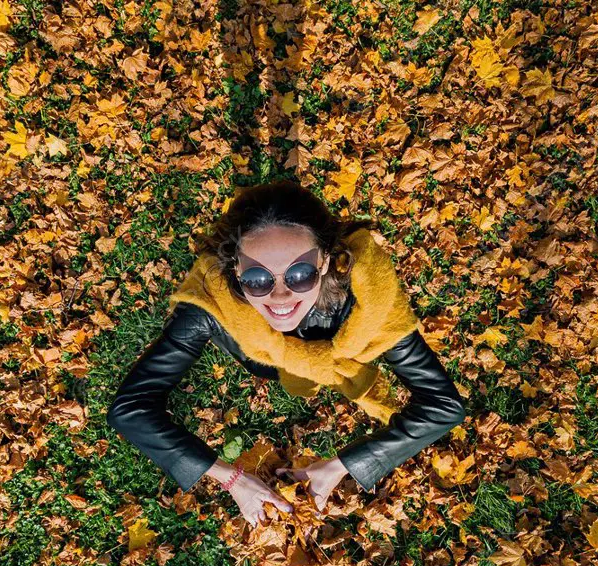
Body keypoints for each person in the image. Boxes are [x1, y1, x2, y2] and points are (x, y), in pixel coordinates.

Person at [107, 180, 467, 527]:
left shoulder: (369, 302)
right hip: (261, 361)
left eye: (299, 275)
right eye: (258, 280)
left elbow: (444, 406)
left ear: (325, 262)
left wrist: (340, 465)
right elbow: (130, 409)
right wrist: (231, 478)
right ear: (236, 269)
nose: (280, 298)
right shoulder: (211, 302)